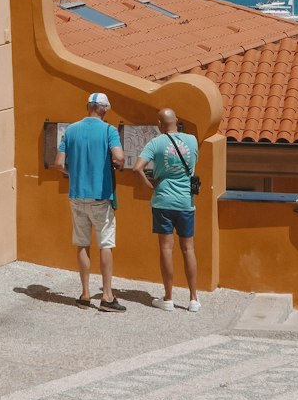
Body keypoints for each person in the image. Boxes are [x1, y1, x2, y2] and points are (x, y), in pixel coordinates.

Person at [54, 91, 126, 311]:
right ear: (103, 109)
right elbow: (120, 157)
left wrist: (74, 173)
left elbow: (58, 163)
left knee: (82, 244)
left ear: (88, 107)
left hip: (76, 195)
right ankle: (106, 296)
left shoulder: (71, 129)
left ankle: (85, 295)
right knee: (105, 244)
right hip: (100, 196)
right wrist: (117, 164)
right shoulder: (108, 130)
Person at [133, 107, 201, 312]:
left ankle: (169, 298)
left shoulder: (156, 142)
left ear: (160, 125)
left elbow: (137, 167)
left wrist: (147, 184)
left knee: (166, 248)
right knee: (188, 248)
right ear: (177, 120)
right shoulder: (192, 140)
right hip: (185, 202)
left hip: (163, 200)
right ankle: (193, 299)